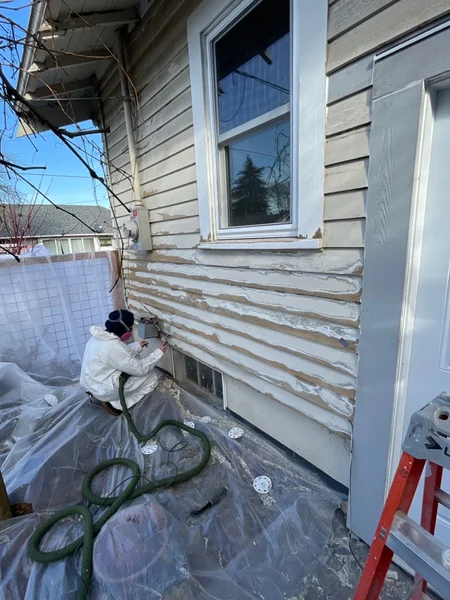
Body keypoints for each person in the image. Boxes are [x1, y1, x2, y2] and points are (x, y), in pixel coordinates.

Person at [80, 309, 167, 416]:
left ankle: (106, 398)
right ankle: (116, 405)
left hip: (89, 382)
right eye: (130, 328)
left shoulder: (99, 337)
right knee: (151, 377)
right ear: (125, 332)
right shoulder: (113, 346)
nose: (131, 331)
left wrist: (138, 346)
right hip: (102, 388)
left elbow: (119, 354)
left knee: (133, 372)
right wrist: (158, 353)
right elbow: (140, 369)